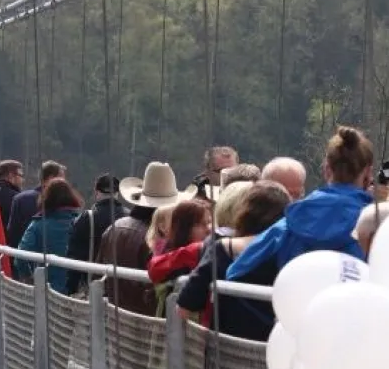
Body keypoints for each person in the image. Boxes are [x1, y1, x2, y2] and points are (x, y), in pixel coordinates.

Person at [227, 126, 373, 285]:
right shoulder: (378, 227)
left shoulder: (289, 224)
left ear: (326, 169)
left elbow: (235, 273)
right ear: (368, 173)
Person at [177, 181, 290, 339]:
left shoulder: (223, 249)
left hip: (226, 348)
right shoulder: (295, 253)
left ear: (245, 213)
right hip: (278, 347)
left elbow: (185, 305)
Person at [97, 161, 182, 315]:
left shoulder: (114, 228)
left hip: (113, 317)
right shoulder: (158, 240)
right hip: (148, 322)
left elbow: (98, 274)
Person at [16, 177, 83, 292]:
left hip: (45, 290)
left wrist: (28, 277)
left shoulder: (37, 225)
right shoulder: (80, 223)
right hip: (75, 292)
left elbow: (20, 255)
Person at [147, 199, 212, 316]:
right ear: (184, 228)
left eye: (209, 222)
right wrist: (196, 250)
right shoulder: (174, 255)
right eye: (200, 224)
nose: (208, 229)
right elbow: (154, 269)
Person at [65, 173, 125, 296]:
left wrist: (71, 289)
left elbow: (74, 256)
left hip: (93, 288)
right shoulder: (128, 218)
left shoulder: (87, 217)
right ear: (117, 193)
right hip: (122, 289)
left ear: (96, 192)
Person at [7, 160, 65, 251]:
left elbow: (12, 233)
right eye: (62, 178)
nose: (64, 182)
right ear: (51, 178)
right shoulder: (63, 202)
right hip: (54, 255)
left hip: (23, 253)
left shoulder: (20, 199)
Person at [0, 159, 24, 234]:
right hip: (6, 240)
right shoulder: (18, 198)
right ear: (11, 175)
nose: (22, 180)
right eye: (21, 175)